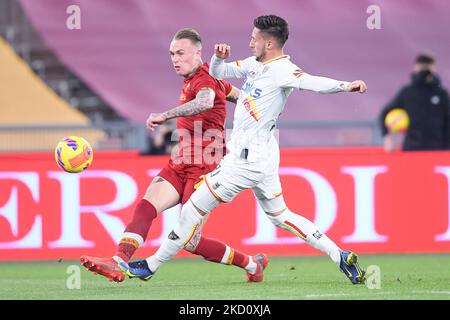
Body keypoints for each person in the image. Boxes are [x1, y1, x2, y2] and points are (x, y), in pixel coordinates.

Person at [123, 15, 367, 285]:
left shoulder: (284, 71)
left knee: (191, 210)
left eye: (254, 39)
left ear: (270, 42)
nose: (250, 43)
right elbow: (218, 73)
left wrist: (346, 86)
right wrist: (217, 58)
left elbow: (313, 82)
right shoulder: (255, 65)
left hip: (245, 161)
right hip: (264, 154)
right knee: (281, 215)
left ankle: (151, 265)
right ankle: (340, 255)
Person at [80, 28, 268, 283]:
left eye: (180, 53)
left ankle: (251, 264)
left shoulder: (204, 79)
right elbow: (238, 96)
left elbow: (205, 101)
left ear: (198, 53)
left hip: (204, 167)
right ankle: (118, 261)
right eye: (172, 54)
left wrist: (165, 115)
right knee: (146, 207)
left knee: (191, 241)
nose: (175, 59)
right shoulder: (207, 79)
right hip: (180, 163)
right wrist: (255, 107)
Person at [380, 53, 450, 152]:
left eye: (427, 65)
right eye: (422, 66)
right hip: (412, 150)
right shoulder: (408, 92)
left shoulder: (441, 94)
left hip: (437, 150)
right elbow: (384, 113)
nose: (425, 69)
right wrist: (387, 139)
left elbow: (448, 122)